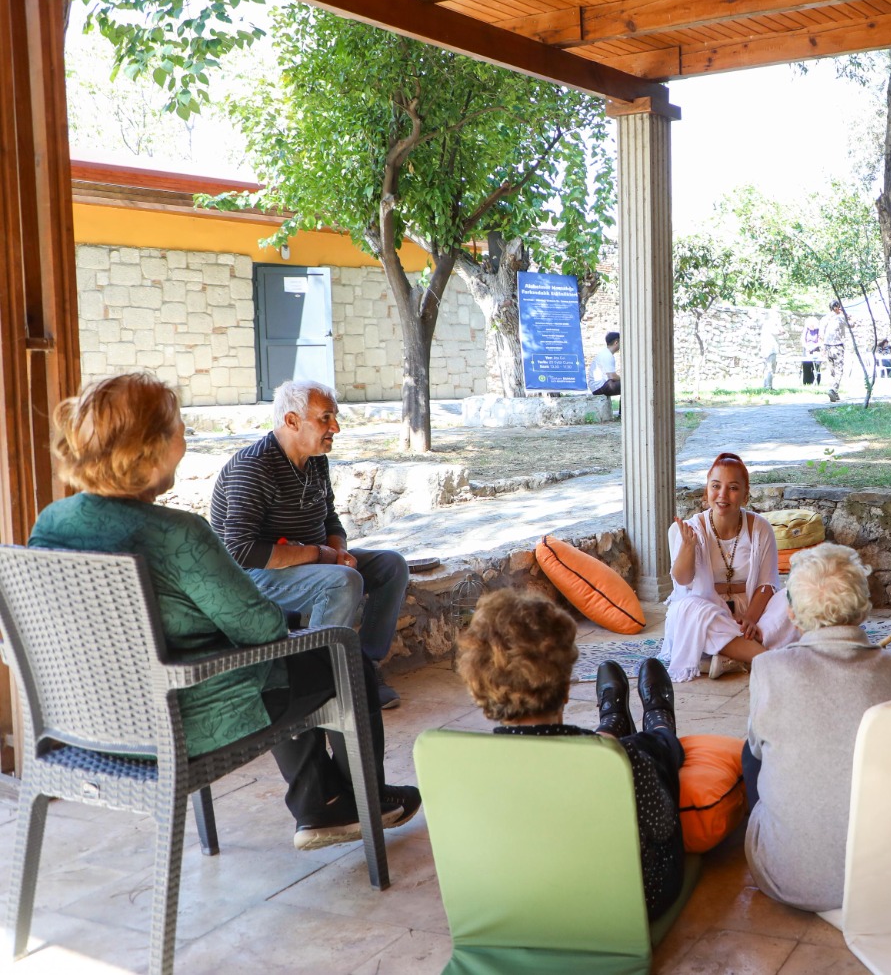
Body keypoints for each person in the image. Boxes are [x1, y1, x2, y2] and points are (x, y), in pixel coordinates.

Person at [31, 373, 420, 851]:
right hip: (186, 719)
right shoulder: (179, 534)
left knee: (293, 663)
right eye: (178, 428)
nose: (186, 438)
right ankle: (364, 800)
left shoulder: (51, 523)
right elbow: (262, 626)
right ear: (149, 448)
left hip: (84, 723)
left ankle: (323, 803)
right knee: (341, 662)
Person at [456, 590, 686, 920]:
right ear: (566, 689)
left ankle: (612, 722)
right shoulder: (618, 764)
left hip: (518, 909)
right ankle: (659, 726)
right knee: (651, 752)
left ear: (478, 686)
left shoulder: (465, 767)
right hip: (622, 908)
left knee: (625, 751)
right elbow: (663, 824)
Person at [743, 544, 891, 911]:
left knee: (752, 753)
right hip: (887, 879)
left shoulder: (768, 670)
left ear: (793, 615)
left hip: (789, 879)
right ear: (863, 606)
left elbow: (760, 752)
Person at [210, 380, 409, 709]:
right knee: (344, 582)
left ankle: (363, 665)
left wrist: (338, 549)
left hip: (306, 564)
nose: (336, 428)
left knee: (392, 566)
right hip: (253, 577)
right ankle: (319, 683)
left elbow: (329, 516)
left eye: (335, 417)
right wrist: (321, 555)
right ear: (291, 421)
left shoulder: (316, 460)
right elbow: (240, 551)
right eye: (325, 418)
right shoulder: (253, 466)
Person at [659, 452, 800, 682]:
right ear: (707, 491)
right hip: (708, 610)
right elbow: (682, 581)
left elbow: (767, 584)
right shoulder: (693, 528)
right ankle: (767, 660)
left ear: (745, 495)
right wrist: (687, 546)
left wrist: (751, 620)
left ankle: (729, 655)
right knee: (689, 610)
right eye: (716, 486)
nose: (723, 495)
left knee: (796, 599)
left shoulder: (761, 528)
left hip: (752, 613)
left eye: (733, 488)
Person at [822, 300, 847, 403]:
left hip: (827, 346)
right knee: (839, 370)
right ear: (836, 307)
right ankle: (833, 389)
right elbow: (852, 324)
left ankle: (834, 393)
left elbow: (820, 334)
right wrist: (847, 316)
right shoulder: (840, 318)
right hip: (837, 346)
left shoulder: (824, 318)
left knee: (832, 371)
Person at [590, 331, 622, 397]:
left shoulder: (605, 353)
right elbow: (612, 376)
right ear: (616, 342)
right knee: (629, 385)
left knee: (627, 386)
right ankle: (624, 407)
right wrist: (624, 379)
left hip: (597, 386)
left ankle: (624, 407)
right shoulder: (607, 355)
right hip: (599, 387)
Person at [759, 311, 780, 391]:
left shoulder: (766, 324)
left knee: (767, 368)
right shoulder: (771, 324)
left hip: (766, 348)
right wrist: (780, 327)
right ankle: (769, 386)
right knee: (770, 368)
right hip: (770, 349)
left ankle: (766, 386)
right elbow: (777, 332)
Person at [801, 317, 823, 387]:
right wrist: (807, 347)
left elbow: (820, 341)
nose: (811, 327)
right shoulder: (806, 330)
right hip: (807, 349)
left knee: (816, 366)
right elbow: (803, 340)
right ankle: (806, 382)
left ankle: (816, 382)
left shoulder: (818, 330)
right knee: (806, 365)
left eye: (812, 325)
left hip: (816, 349)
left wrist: (813, 347)